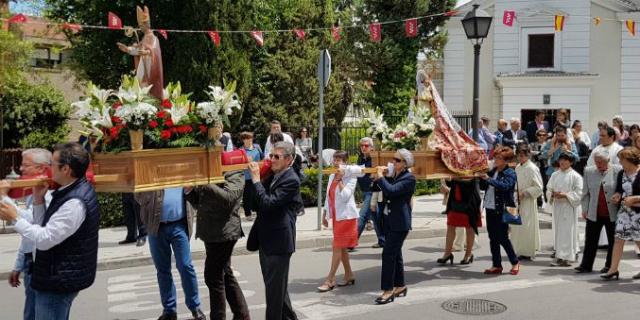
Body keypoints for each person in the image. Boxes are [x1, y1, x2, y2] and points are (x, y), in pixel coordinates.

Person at [0, 143, 99, 320]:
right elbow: (43, 226)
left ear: (66, 169)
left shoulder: (74, 202)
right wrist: (38, 200)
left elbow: (45, 240)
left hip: (57, 280)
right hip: (53, 274)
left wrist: (14, 217)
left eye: (52, 164)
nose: (48, 169)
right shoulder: (67, 191)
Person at [184, 170, 250, 320]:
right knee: (225, 275)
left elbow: (229, 199)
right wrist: (189, 192)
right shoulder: (206, 170)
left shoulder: (234, 171)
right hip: (210, 232)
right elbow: (200, 203)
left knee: (213, 277)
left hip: (225, 232)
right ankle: (242, 315)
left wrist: (205, 182)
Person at [246, 142, 301, 320]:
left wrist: (255, 181)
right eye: (271, 156)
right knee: (278, 291)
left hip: (279, 244)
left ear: (289, 160)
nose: (272, 160)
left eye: (276, 157)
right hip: (266, 241)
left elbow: (269, 204)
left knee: (274, 296)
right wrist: (259, 179)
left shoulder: (291, 179)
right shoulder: (273, 175)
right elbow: (256, 204)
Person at [135, 186, 206, 320]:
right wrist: (149, 197)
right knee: (162, 270)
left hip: (179, 225)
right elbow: (138, 195)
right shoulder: (150, 170)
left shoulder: (182, 168)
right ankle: (169, 310)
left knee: (185, 266)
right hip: (156, 227)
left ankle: (195, 307)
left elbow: (196, 194)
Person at [1, 148, 53, 320]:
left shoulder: (49, 192)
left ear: (41, 168)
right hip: (32, 261)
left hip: (42, 263)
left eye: (25, 165)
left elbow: (31, 223)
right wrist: (19, 265)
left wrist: (4, 198)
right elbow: (27, 236)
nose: (21, 169)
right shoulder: (35, 189)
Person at [372, 149, 416, 304]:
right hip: (390, 220)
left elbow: (391, 191)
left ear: (404, 164)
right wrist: (375, 178)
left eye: (396, 160)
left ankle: (387, 290)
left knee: (388, 255)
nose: (393, 161)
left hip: (400, 223)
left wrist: (381, 178)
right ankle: (400, 285)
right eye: (393, 159)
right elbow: (377, 188)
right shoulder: (394, 175)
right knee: (396, 255)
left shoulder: (409, 178)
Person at [318, 151, 359, 292]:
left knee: (337, 247)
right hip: (336, 216)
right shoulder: (331, 175)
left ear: (345, 162)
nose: (336, 162)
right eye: (335, 159)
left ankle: (330, 279)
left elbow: (346, 196)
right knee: (341, 248)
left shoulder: (351, 176)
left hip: (346, 217)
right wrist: (324, 214)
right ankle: (349, 275)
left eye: (339, 159)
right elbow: (328, 196)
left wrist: (340, 179)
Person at [575, 150, 621, 274]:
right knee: (590, 240)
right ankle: (586, 265)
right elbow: (585, 194)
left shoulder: (618, 170)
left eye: (601, 162)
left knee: (613, 241)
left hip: (612, 213)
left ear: (608, 160)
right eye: (596, 162)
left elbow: (621, 189)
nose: (599, 164)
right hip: (594, 212)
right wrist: (585, 209)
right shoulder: (589, 171)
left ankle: (610, 266)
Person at [479, 146, 520, 275]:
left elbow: (505, 186)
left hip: (503, 208)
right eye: (495, 157)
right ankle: (496, 265)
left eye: (499, 158)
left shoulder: (510, 173)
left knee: (503, 237)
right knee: (493, 238)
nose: (496, 160)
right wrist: (481, 177)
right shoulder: (493, 171)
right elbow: (483, 186)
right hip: (490, 207)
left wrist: (489, 179)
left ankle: (515, 262)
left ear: (506, 160)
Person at [601, 148, 640, 280]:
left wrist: (634, 199)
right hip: (624, 212)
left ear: (630, 160)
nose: (620, 162)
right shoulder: (621, 173)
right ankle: (613, 269)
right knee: (618, 240)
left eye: (622, 159)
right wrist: (617, 196)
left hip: (638, 213)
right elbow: (619, 190)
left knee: (639, 241)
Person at [116, 6, 163, 99]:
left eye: (141, 26)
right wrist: (127, 49)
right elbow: (137, 50)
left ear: (147, 24)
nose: (140, 28)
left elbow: (154, 49)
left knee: (148, 86)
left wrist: (147, 51)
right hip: (143, 65)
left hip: (150, 66)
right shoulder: (144, 38)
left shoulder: (153, 37)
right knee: (141, 84)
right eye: (140, 26)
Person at [547, 152, 583, 267]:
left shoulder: (575, 176)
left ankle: (567, 257)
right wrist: (552, 194)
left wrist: (566, 195)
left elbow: (579, 193)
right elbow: (548, 188)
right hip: (557, 206)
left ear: (571, 162)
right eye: (561, 160)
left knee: (567, 232)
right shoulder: (555, 175)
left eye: (565, 160)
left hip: (568, 207)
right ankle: (559, 255)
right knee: (558, 231)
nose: (562, 162)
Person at [437, 178, 481, 265]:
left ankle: (468, 254)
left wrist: (455, 176)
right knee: (450, 226)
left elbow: (471, 181)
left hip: (469, 200)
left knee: (469, 227)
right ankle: (447, 253)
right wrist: (448, 180)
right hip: (455, 200)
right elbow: (450, 183)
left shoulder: (473, 165)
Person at [511, 144, 544, 260]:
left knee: (526, 225)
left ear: (527, 155)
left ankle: (527, 251)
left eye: (522, 155)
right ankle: (517, 249)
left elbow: (539, 187)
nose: (520, 158)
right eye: (518, 156)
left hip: (527, 200)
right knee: (516, 226)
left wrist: (525, 192)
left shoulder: (532, 168)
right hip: (517, 199)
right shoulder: (518, 167)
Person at [356, 137, 385, 248]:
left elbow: (375, 174)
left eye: (366, 146)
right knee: (375, 216)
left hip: (372, 191)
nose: (363, 147)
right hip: (365, 190)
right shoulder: (360, 158)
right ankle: (382, 240)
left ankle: (352, 242)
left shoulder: (374, 158)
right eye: (362, 145)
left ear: (371, 147)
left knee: (362, 216)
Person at [240, 131, 264, 221]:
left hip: (258, 175)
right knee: (247, 196)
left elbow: (262, 158)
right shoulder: (241, 150)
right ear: (243, 140)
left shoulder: (257, 147)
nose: (248, 140)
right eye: (246, 138)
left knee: (258, 194)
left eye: (250, 138)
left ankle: (259, 212)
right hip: (246, 176)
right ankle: (248, 214)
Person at [531, 129, 549, 206]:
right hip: (535, 167)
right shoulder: (532, 144)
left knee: (546, 184)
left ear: (546, 136)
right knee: (537, 183)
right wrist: (541, 154)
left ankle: (547, 200)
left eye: (543, 135)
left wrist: (538, 154)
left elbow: (548, 154)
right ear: (537, 136)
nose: (541, 136)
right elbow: (530, 153)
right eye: (540, 135)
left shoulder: (548, 145)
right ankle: (539, 201)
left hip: (545, 167)